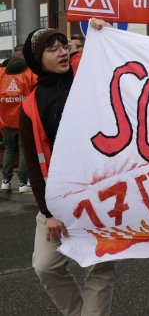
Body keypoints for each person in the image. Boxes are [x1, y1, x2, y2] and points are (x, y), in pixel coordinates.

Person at [19, 23, 116, 315]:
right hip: (58, 197)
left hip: (100, 191)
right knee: (45, 266)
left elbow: (111, 57)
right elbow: (35, 165)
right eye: (53, 49)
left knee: (99, 266)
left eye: (64, 46)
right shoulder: (29, 105)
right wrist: (48, 213)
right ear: (37, 59)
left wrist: (102, 31)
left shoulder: (86, 77)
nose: (62, 52)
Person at [1, 55, 36, 193]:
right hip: (23, 120)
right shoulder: (28, 75)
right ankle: (23, 183)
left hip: (6, 121)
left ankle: (6, 181)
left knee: (9, 149)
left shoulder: (2, 76)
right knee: (23, 151)